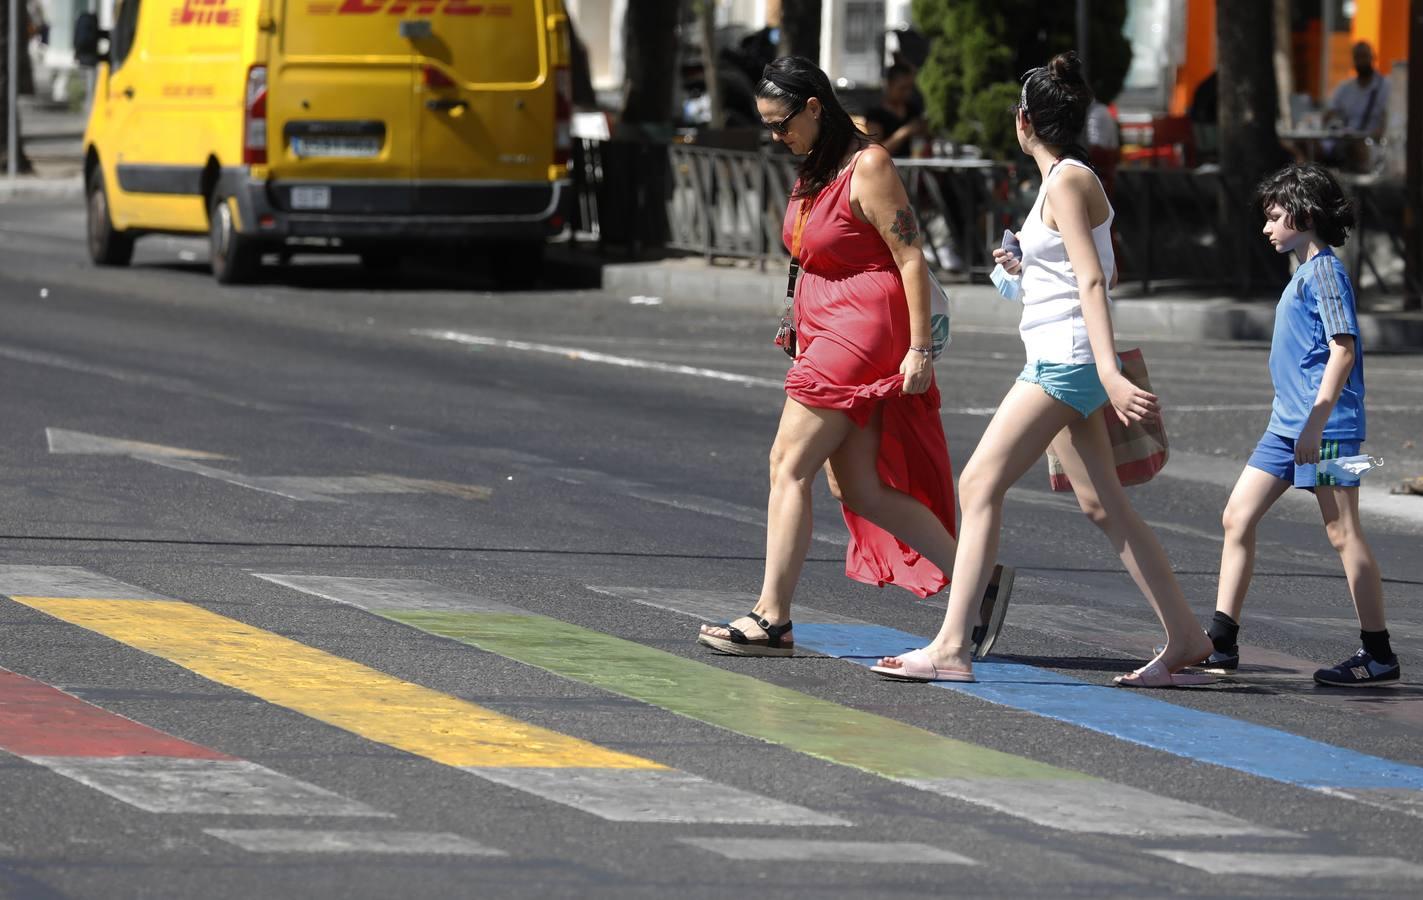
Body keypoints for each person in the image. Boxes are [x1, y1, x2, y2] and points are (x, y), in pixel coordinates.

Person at [870, 51, 1213, 686]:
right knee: (1102, 504)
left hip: (1068, 362)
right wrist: (1024, 266)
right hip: (1067, 356)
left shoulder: (1065, 181)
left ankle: (951, 646)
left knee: (977, 487)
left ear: (1024, 121)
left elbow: (1093, 279)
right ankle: (1187, 635)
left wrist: (1109, 373)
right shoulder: (1066, 181)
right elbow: (1084, 267)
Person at [696, 57, 1012, 658]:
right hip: (826, 328)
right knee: (860, 488)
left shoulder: (869, 165)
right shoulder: (817, 164)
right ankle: (980, 579)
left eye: (782, 122)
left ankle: (772, 617)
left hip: (863, 332)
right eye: (766, 125)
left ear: (815, 107)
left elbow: (911, 257)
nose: (776, 136)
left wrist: (920, 349)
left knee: (788, 464)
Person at [1203, 164, 1396, 687]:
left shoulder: (1327, 273)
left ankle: (1378, 654)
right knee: (1236, 517)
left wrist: (1316, 423)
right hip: (1287, 426)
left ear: (1305, 215)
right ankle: (1221, 644)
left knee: (1342, 532)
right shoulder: (1304, 271)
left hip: (1325, 427)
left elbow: (1344, 349)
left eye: (1275, 216)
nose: (1267, 227)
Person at [862, 63, 927, 158]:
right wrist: (904, 133)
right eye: (902, 88)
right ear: (889, 84)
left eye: (910, 88)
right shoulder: (876, 114)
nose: (907, 93)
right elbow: (876, 151)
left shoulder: (913, 110)